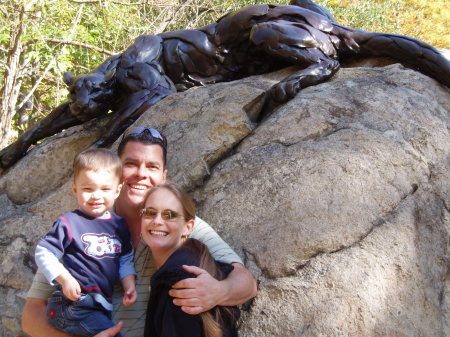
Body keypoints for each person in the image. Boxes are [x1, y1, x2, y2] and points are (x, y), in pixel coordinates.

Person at [22, 127, 257, 337]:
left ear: (163, 176)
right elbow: (32, 315)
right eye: (131, 163)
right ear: (117, 170)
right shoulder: (79, 225)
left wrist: (218, 292)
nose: (141, 174)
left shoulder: (178, 224)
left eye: (152, 166)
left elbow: (246, 283)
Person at [34, 149, 137, 337]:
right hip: (72, 305)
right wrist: (64, 278)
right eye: (88, 189)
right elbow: (43, 252)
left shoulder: (119, 225)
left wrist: (129, 283)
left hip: (100, 305)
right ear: (75, 189)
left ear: (117, 190)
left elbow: (125, 257)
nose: (96, 196)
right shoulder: (69, 222)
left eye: (105, 189)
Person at [142, 183, 240, 337]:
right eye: (150, 212)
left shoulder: (179, 282)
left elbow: (248, 283)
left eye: (169, 215)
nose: (157, 221)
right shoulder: (195, 259)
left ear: (188, 227)